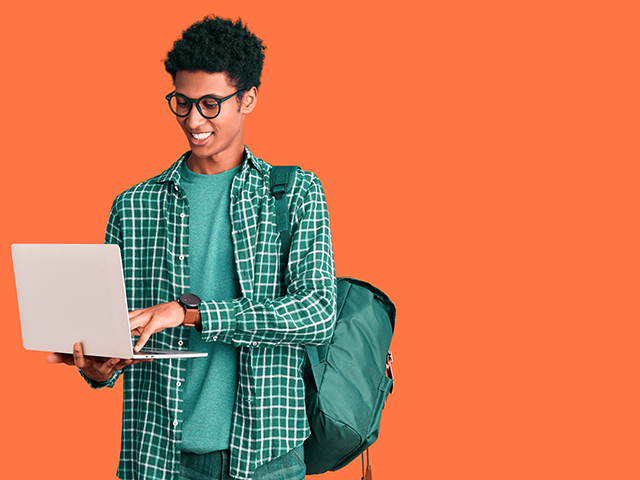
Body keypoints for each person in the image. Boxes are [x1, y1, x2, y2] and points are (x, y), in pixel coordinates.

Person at [47, 15, 337, 480]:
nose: (193, 121)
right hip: (158, 458)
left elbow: (318, 312)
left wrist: (190, 313)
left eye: (209, 104)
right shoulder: (134, 207)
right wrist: (99, 369)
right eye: (182, 103)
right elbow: (117, 339)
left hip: (266, 457)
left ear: (248, 99)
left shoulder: (294, 193)